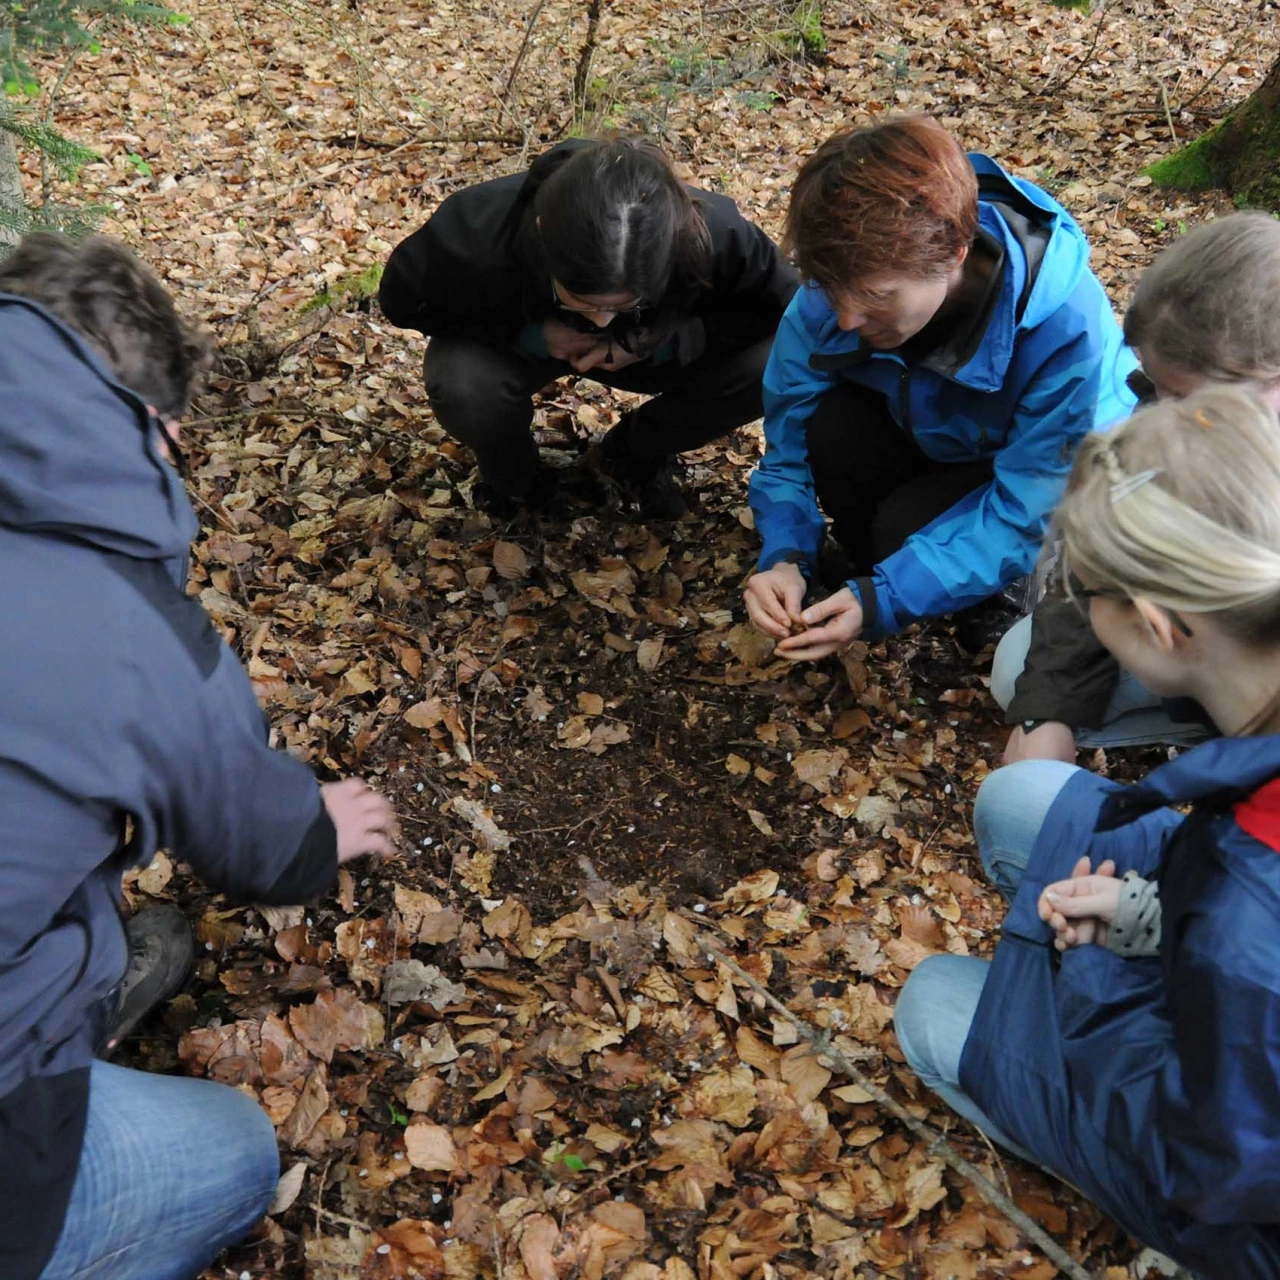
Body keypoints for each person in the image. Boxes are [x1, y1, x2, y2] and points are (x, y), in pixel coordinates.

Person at [0, 234, 398, 1280]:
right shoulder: (126, 630)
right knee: (235, 1151)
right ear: (152, 424)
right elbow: (260, 844)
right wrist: (320, 830)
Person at [895, 386, 1280, 1279]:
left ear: (1157, 627)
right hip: (1230, 984)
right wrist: (1150, 914)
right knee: (1026, 798)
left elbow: (1216, 1161)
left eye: (1084, 595)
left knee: (934, 1006)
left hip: (1234, 1202)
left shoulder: (1242, 927)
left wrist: (1104, 967)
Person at [741, 116, 1135, 660]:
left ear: (954, 253)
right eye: (833, 292)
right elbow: (787, 447)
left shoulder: (1066, 331)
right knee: (830, 425)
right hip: (932, 430)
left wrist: (887, 597)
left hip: (1042, 482)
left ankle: (995, 590)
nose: (848, 318)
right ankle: (878, 564)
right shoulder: (837, 285)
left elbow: (1029, 506)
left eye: (878, 296)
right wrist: (785, 554)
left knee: (904, 537)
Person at [379, 136, 798, 520]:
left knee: (781, 362)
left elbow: (794, 318)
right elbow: (403, 302)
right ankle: (516, 480)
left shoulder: (717, 232)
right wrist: (533, 333)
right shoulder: (475, 230)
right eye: (580, 301)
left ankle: (634, 453)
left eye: (623, 303)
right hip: (523, 345)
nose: (600, 321)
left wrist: (660, 335)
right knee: (462, 380)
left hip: (659, 350)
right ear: (543, 234)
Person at [994, 212, 1280, 764]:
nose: (1164, 412)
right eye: (1158, 388)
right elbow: (1098, 560)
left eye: (1184, 397)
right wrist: (1047, 712)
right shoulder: (1192, 412)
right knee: (1019, 670)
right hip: (1213, 640)